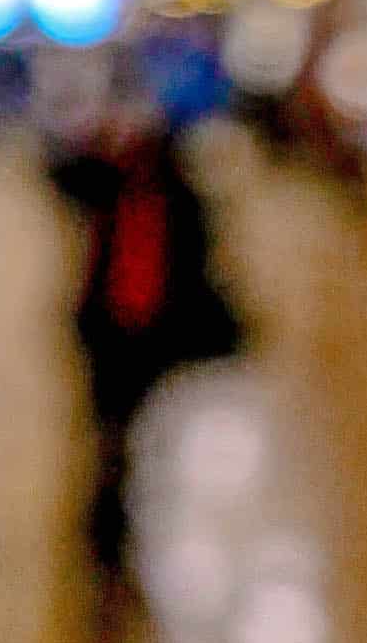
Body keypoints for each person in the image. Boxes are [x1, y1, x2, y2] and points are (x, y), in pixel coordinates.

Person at [49, 82, 244, 592]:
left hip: (151, 337)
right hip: (108, 333)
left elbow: (205, 267)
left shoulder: (180, 201)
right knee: (106, 436)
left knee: (134, 437)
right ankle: (104, 531)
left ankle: (119, 524)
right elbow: (58, 176)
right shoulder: (107, 190)